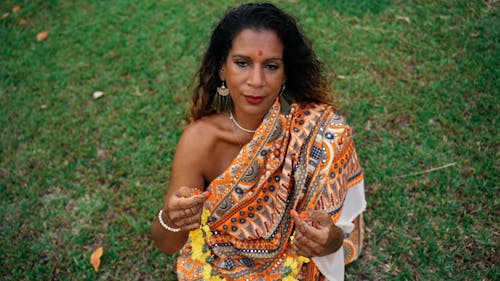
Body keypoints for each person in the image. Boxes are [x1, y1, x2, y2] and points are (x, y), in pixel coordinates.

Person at [152, 3, 366, 280]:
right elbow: (167, 244)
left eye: (271, 66)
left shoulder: (321, 134)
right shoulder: (200, 141)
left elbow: (336, 235)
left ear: (285, 74)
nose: (256, 80)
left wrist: (329, 239)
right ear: (221, 69)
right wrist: (171, 218)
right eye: (242, 63)